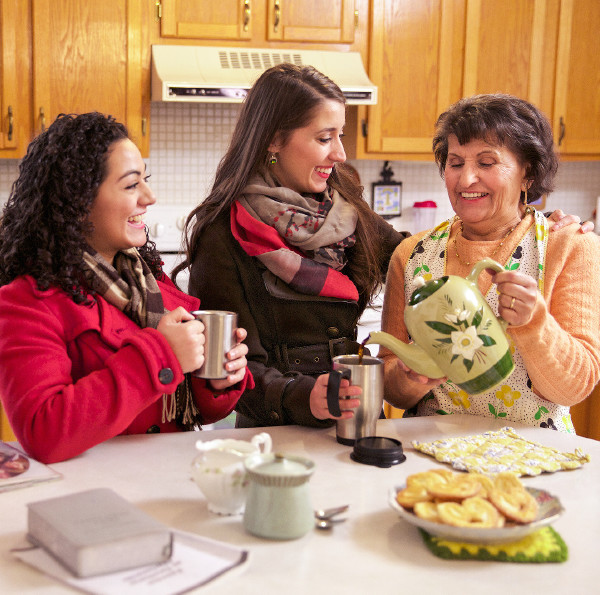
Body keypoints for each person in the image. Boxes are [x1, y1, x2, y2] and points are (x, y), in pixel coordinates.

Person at [175, 65, 587, 430]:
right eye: (324, 138)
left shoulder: (346, 209)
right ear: (273, 141)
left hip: (353, 422)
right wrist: (306, 397)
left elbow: (417, 253)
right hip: (273, 431)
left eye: (340, 135)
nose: (341, 153)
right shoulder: (223, 232)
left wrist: (537, 223)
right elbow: (225, 370)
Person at [0, 112, 253, 464]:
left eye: (145, 180)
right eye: (132, 185)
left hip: (167, 481)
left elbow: (179, 410)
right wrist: (163, 354)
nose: (149, 196)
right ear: (79, 200)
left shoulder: (148, 280)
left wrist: (216, 380)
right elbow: (44, 432)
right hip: (93, 499)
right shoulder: (26, 302)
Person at [379, 93, 600, 432]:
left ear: (527, 173)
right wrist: (413, 378)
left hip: (535, 460)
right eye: (455, 163)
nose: (466, 180)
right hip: (433, 455)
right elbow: (392, 388)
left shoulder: (569, 245)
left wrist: (533, 322)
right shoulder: (412, 255)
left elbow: (574, 387)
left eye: (486, 163)